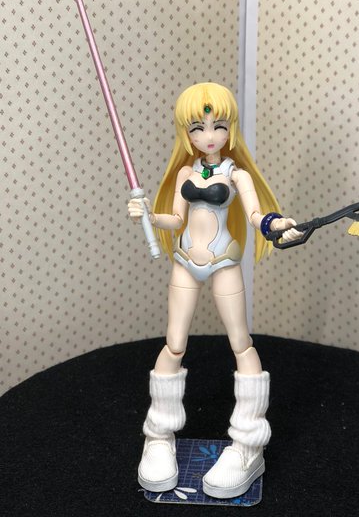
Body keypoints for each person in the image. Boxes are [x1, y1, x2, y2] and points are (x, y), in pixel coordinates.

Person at [128, 82, 302, 499]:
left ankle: (248, 443)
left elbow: (257, 214)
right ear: (185, 133)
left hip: (223, 260)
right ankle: (158, 435)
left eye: (218, 126)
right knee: (174, 344)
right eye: (198, 128)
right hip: (186, 261)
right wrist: (148, 213)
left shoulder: (236, 174)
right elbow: (175, 219)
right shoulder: (185, 173)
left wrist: (277, 225)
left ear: (230, 128)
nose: (209, 135)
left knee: (241, 344)